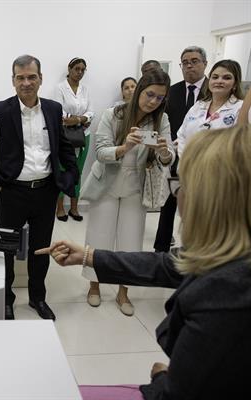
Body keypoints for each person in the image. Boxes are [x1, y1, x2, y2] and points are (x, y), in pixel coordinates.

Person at [36, 125, 251, 400]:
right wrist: (89, 255)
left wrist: (161, 376)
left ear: (211, 199)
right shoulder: (232, 256)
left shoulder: (226, 295)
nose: (178, 195)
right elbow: (167, 265)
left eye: (181, 185)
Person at [0, 54, 79, 320]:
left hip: (45, 191)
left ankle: (37, 298)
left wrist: (70, 175)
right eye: (20, 78)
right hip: (12, 192)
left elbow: (63, 145)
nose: (26, 82)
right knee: (6, 249)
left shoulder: (52, 109)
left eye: (31, 77)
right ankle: (6, 299)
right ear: (13, 81)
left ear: (41, 79)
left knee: (41, 249)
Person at [79, 70, 174, 315]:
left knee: (131, 242)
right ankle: (95, 286)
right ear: (139, 90)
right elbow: (100, 152)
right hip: (107, 185)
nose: (153, 101)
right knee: (99, 238)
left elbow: (168, 156)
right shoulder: (114, 114)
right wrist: (124, 147)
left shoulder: (161, 120)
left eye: (159, 98)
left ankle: (123, 292)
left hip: (136, 187)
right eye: (149, 94)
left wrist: (164, 153)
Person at [153, 46, 207, 253]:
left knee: (198, 209)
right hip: (174, 159)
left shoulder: (214, 90)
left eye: (194, 61)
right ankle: (161, 249)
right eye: (185, 62)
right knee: (168, 204)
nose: (189, 65)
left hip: (203, 163)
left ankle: (195, 251)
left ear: (205, 64)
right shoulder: (171, 92)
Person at [52, 57, 94, 222]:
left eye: (83, 70)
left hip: (84, 135)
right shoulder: (60, 88)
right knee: (63, 171)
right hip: (65, 136)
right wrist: (81, 118)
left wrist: (78, 119)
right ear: (69, 69)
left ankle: (74, 208)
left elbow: (91, 112)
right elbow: (59, 113)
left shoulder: (85, 90)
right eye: (77, 69)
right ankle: (60, 208)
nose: (80, 72)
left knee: (78, 171)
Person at [177, 59, 244, 156]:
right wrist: (186, 161)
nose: (219, 81)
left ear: (235, 84)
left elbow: (239, 145)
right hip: (188, 166)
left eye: (227, 78)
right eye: (215, 77)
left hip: (219, 168)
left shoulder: (241, 108)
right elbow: (181, 136)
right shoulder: (198, 105)